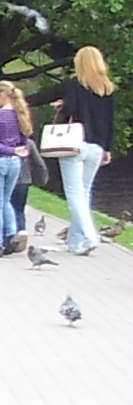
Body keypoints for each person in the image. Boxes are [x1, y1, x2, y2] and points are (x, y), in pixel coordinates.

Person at [55, 45, 115, 255]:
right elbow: (109, 121)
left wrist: (60, 107)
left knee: (74, 194)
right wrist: (107, 148)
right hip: (97, 146)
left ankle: (90, 236)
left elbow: (70, 109)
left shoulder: (76, 84)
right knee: (84, 192)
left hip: (75, 143)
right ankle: (75, 242)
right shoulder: (106, 88)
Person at [0, 79, 36, 254]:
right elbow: (25, 142)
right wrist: (17, 151)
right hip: (15, 163)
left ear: (2, 95)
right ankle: (12, 233)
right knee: (6, 200)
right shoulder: (20, 113)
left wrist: (9, 150)